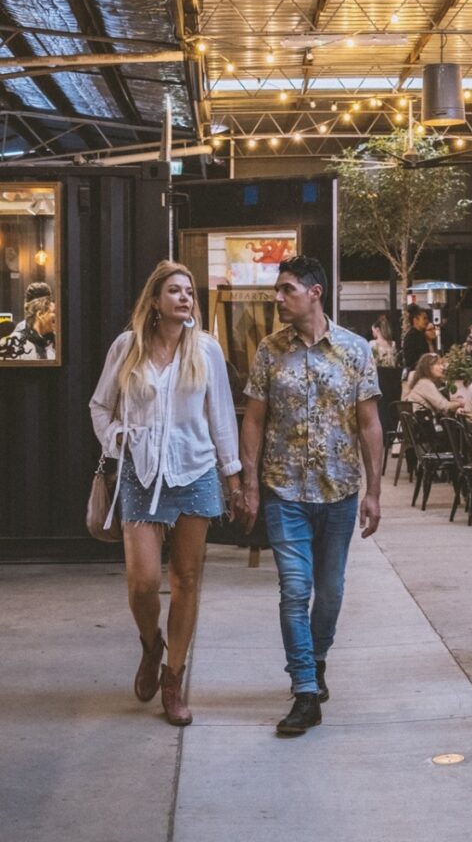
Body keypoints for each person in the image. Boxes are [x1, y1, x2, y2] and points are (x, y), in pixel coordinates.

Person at [89, 260, 241, 727]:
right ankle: (151, 644)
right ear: (155, 300)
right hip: (142, 472)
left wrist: (232, 475)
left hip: (195, 472)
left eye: (189, 292)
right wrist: (119, 439)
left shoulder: (207, 350)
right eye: (174, 291)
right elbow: (99, 405)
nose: (184, 298)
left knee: (187, 579)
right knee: (141, 581)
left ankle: (173, 678)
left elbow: (221, 416)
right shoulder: (127, 346)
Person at [238, 255, 383, 736]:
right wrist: (250, 483)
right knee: (295, 591)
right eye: (277, 290)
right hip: (285, 492)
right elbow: (254, 419)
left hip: (340, 492)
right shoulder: (269, 351)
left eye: (286, 289)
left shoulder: (356, 349)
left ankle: (316, 659)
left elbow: (369, 424)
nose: (277, 298)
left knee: (331, 592)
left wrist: (375, 492)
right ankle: (304, 690)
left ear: (314, 292)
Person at [11, 295, 56, 360]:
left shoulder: (55, 341)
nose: (59, 316)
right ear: (40, 314)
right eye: (54, 312)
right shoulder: (15, 340)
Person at [401, 304, 435, 375]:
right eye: (424, 318)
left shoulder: (422, 334)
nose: (427, 321)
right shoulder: (411, 336)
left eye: (427, 318)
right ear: (415, 320)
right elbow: (411, 361)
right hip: (417, 374)